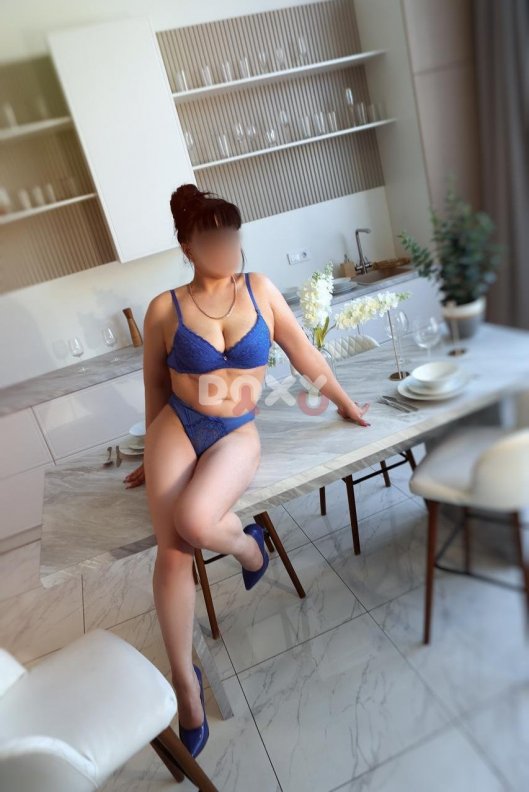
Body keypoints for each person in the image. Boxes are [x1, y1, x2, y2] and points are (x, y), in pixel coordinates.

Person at [123, 183, 370, 757]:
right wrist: (149, 454)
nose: (228, 248)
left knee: (196, 520)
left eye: (233, 236)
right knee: (174, 552)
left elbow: (302, 353)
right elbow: (156, 387)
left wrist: (342, 402)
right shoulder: (165, 308)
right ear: (187, 246)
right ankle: (186, 685)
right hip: (178, 426)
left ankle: (250, 549)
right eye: (212, 239)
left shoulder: (259, 288)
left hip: (236, 429)